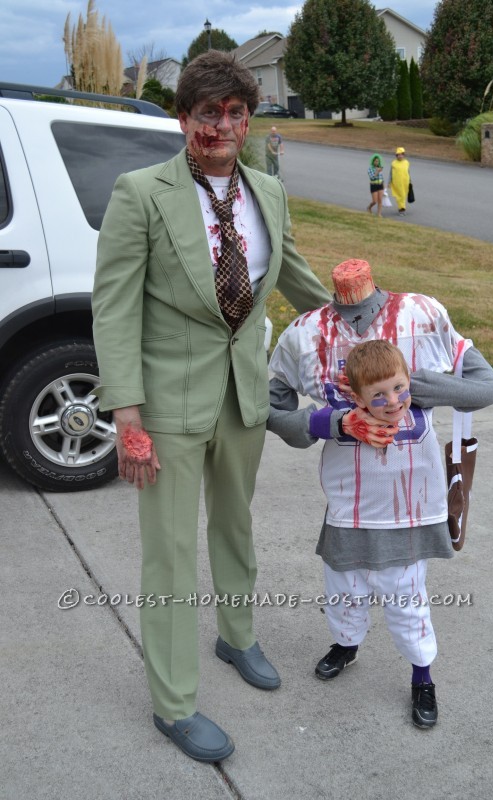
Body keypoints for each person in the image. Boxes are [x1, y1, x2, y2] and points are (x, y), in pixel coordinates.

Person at [92, 50, 331, 763]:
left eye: (233, 113)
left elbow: (293, 274)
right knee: (168, 553)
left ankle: (237, 635)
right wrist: (126, 414)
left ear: (247, 119)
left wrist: (366, 318)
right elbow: (114, 309)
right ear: (183, 117)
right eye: (207, 113)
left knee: (234, 528)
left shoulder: (267, 189)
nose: (221, 125)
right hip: (165, 405)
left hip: (242, 394)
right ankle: (173, 702)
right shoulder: (140, 192)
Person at [267, 258, 493, 729]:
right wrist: (331, 422)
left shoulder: (423, 314)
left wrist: (418, 390)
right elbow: (270, 409)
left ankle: (422, 675)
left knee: (406, 594)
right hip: (347, 499)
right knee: (343, 585)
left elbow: (488, 386)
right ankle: (347, 643)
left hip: (411, 498)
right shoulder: (304, 333)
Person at [389, 146, 410, 215]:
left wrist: (410, 181)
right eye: (399, 155)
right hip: (397, 183)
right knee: (400, 195)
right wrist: (389, 182)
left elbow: (408, 172)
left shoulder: (406, 162)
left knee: (403, 195)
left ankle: (402, 208)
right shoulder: (393, 163)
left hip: (405, 182)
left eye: (402, 154)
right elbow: (391, 173)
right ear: (396, 155)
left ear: (404, 155)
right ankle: (401, 209)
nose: (400, 156)